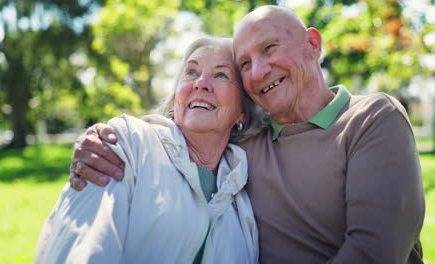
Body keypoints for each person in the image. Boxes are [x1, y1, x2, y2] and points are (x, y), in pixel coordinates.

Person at [69, 6, 425, 264]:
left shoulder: (372, 119)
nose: (258, 71)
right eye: (244, 65)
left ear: (313, 45)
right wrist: (109, 139)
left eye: (270, 48)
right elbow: (183, 130)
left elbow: (373, 253)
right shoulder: (244, 144)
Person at [35, 37, 265, 263]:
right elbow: (81, 247)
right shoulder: (127, 142)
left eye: (221, 75)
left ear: (242, 113)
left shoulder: (243, 200)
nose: (200, 83)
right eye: (191, 72)